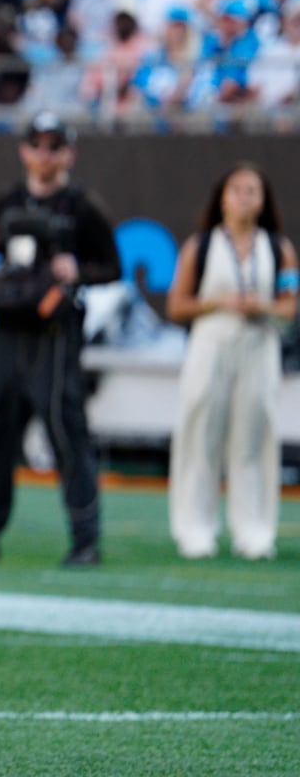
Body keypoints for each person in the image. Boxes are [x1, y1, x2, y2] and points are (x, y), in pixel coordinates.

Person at [0, 112, 120, 567]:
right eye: (37, 145)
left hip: (54, 335)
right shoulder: (8, 200)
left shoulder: (81, 205)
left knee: (65, 431)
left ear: (68, 153)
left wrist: (77, 270)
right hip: (8, 330)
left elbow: (112, 267)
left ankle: (85, 539)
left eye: (53, 146)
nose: (44, 155)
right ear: (24, 150)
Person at [165, 164, 296, 560]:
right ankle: (195, 528)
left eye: (252, 190)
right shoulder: (201, 246)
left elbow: (290, 305)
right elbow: (176, 305)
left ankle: (254, 530)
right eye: (237, 189)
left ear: (263, 199)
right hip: (212, 342)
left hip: (258, 343)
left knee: (253, 437)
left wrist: (265, 306)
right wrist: (219, 302)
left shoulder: (278, 248)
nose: (244, 197)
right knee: (201, 433)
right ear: (223, 196)